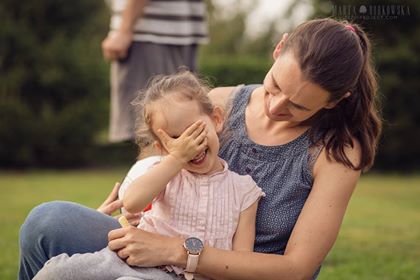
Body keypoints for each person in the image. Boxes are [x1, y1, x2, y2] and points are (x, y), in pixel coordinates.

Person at [19, 18, 382, 280]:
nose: (275, 108)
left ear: (336, 102)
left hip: (234, 274)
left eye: (298, 107)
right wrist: (120, 214)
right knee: (47, 223)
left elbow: (296, 269)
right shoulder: (220, 103)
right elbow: (153, 171)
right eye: (274, 87)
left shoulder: (335, 152)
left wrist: (178, 251)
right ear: (278, 48)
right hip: (152, 248)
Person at [32, 72, 265, 280]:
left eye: (194, 130)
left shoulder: (244, 191)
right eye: (175, 138)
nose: (189, 145)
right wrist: (176, 159)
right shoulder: (167, 172)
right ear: (162, 147)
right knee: (55, 272)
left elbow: (240, 264)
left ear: (216, 120)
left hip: (188, 275)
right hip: (133, 260)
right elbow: (132, 202)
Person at [103, 0, 208, 142]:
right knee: (178, 132)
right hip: (182, 29)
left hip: (148, 32)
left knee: (152, 135)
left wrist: (124, 30)